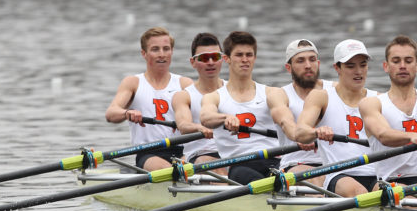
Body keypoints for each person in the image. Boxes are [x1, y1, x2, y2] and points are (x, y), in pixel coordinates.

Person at [360, 35, 417, 203]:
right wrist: (412, 136)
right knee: (410, 198)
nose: (402, 66)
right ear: (386, 67)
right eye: (396, 61)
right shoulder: (372, 104)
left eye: (408, 61)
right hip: (393, 182)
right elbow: (383, 134)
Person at [295, 39, 379, 197]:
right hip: (338, 175)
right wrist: (316, 132)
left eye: (363, 64)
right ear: (337, 68)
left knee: (392, 194)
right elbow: (300, 131)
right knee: (359, 192)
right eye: (350, 66)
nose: (358, 71)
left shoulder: (379, 99)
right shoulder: (321, 97)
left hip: (375, 174)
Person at [200, 31, 284, 184]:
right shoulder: (214, 97)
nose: (245, 60)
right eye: (239, 55)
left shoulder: (272, 93)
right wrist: (225, 117)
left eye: (249, 55)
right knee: (242, 173)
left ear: (255, 58)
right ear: (227, 59)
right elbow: (206, 117)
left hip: (275, 161)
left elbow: (287, 119)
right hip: (239, 165)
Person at [105, 27, 194, 170]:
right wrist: (127, 113)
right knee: (172, 172)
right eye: (155, 49)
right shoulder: (133, 83)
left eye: (166, 49)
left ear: (172, 52)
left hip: (183, 150)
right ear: (144, 54)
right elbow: (111, 113)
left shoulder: (185, 84)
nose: (162, 54)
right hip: (149, 153)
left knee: (203, 166)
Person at [273, 38, 329, 183]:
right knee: (315, 178)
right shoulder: (280, 95)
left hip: (335, 164)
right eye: (300, 61)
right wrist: (301, 135)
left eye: (312, 60)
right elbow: (287, 124)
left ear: (318, 63)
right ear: (288, 67)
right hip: (296, 164)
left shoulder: (335, 90)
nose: (308, 65)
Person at [171, 32, 224, 168]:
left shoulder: (234, 90)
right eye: (204, 58)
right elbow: (183, 125)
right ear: (193, 62)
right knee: (215, 165)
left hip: (235, 152)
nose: (211, 62)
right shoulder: (184, 96)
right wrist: (199, 128)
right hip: (201, 155)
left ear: (223, 59)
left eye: (215, 57)